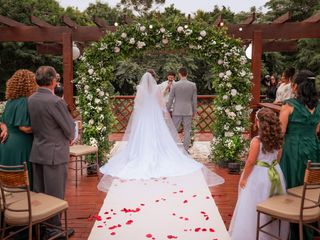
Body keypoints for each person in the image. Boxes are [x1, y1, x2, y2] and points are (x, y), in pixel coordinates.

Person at [98, 72, 223, 190]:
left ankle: (141, 154)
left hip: (143, 117)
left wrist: (140, 111)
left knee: (141, 136)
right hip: (154, 116)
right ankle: (157, 153)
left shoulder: (140, 88)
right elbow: (161, 103)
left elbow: (137, 103)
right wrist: (165, 114)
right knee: (157, 136)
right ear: (153, 79)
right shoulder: (157, 89)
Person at [28, 66, 75, 239]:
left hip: (38, 151)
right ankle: (53, 231)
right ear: (54, 81)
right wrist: (69, 136)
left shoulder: (31, 99)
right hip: (54, 154)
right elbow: (70, 128)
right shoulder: (55, 102)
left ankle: (42, 228)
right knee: (55, 194)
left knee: (40, 192)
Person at [229, 108, 288, 240]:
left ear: (258, 122)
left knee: (253, 203)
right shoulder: (279, 138)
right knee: (272, 201)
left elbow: (250, 162)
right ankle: (272, 233)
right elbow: (278, 157)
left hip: (258, 176)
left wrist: (244, 179)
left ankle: (252, 233)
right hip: (274, 172)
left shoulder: (257, 141)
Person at [279, 70, 320, 240]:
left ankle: (291, 229)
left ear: (296, 86)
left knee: (292, 184)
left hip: (293, 151)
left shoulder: (289, 105)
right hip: (314, 149)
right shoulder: (318, 106)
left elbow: (280, 132)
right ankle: (309, 222)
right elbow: (317, 130)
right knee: (310, 186)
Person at [0, 70, 37, 188]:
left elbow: (2, 122)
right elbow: (25, 128)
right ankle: (25, 204)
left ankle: (11, 204)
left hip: (7, 144)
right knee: (22, 181)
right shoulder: (24, 101)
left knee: (9, 181)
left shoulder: (10, 102)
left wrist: (5, 128)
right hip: (21, 146)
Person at [167, 67, 197, 151]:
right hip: (188, 111)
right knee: (187, 131)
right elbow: (194, 101)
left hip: (177, 110)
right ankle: (186, 149)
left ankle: (172, 149)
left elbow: (170, 99)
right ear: (187, 74)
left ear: (179, 74)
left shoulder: (175, 85)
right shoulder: (193, 85)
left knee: (173, 130)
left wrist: (167, 110)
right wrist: (195, 112)